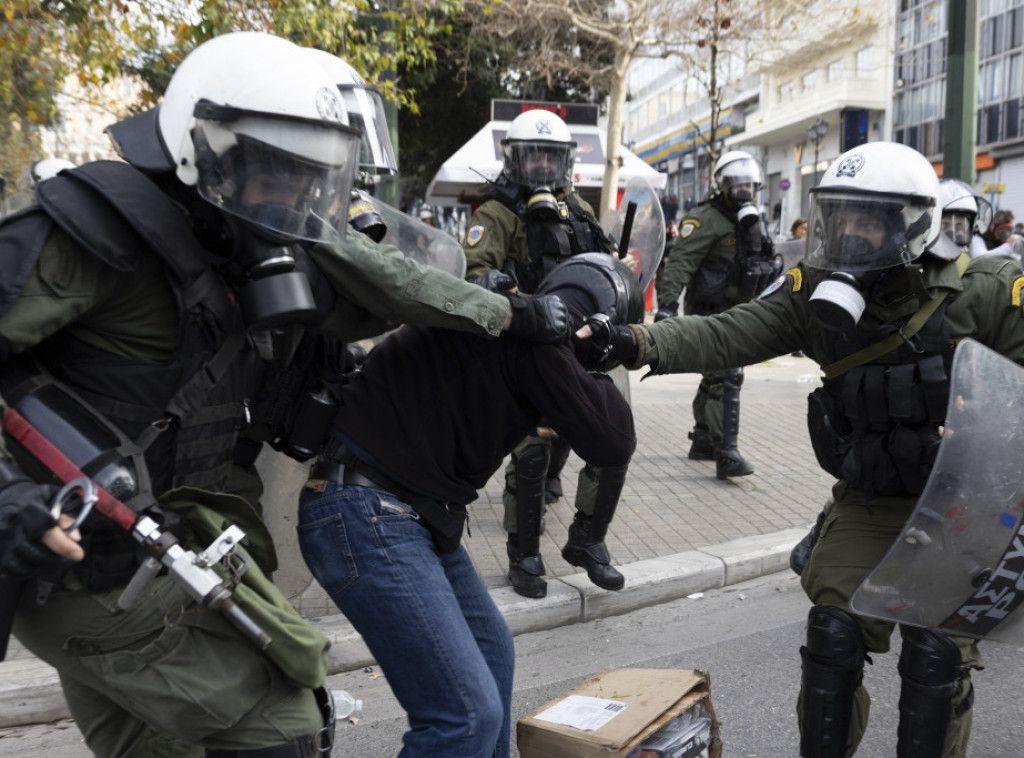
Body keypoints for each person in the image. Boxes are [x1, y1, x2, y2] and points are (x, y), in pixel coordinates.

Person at [0, 33, 570, 758]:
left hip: (161, 553)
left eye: (310, 180)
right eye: (275, 176)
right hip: (89, 565)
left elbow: (383, 290)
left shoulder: (234, 251)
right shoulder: (99, 232)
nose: (295, 200)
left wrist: (489, 312)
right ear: (207, 156)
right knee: (284, 731)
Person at [589, 141, 1024, 757]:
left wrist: (988, 426)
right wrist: (631, 341)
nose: (850, 233)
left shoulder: (986, 290)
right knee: (833, 636)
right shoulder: (811, 292)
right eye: (839, 218)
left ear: (913, 223)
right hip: (872, 497)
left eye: (868, 219)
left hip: (966, 510)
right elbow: (725, 332)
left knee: (935, 656)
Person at [297, 253, 637, 758]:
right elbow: (614, 440)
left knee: (490, 650)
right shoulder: (535, 340)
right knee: (464, 716)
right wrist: (593, 360)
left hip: (402, 510)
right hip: (368, 511)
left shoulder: (499, 311)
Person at [462, 109, 626, 598]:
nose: (541, 165)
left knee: (611, 434)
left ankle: (587, 540)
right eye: (531, 154)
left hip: (584, 341)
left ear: (565, 160)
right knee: (530, 454)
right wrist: (494, 286)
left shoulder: (579, 209)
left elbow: (603, 268)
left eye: (550, 155)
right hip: (526, 346)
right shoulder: (496, 212)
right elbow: (473, 274)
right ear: (514, 158)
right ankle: (524, 554)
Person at [653, 150, 779, 480]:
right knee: (727, 375)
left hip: (742, 308)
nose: (744, 191)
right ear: (722, 185)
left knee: (714, 376)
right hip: (711, 309)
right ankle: (727, 452)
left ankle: (704, 438)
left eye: (749, 185)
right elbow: (681, 262)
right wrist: (667, 306)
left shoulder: (751, 219)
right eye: (737, 185)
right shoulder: (705, 218)